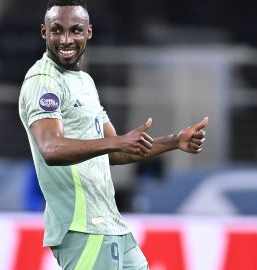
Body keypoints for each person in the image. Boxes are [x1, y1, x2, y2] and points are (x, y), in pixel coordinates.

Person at [18, 0, 208, 268]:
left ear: (89, 32)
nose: (66, 39)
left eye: (76, 30)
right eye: (57, 30)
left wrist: (175, 141)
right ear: (44, 32)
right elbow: (51, 149)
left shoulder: (85, 82)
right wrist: (117, 140)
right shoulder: (44, 82)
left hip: (110, 223)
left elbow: (117, 152)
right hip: (82, 227)